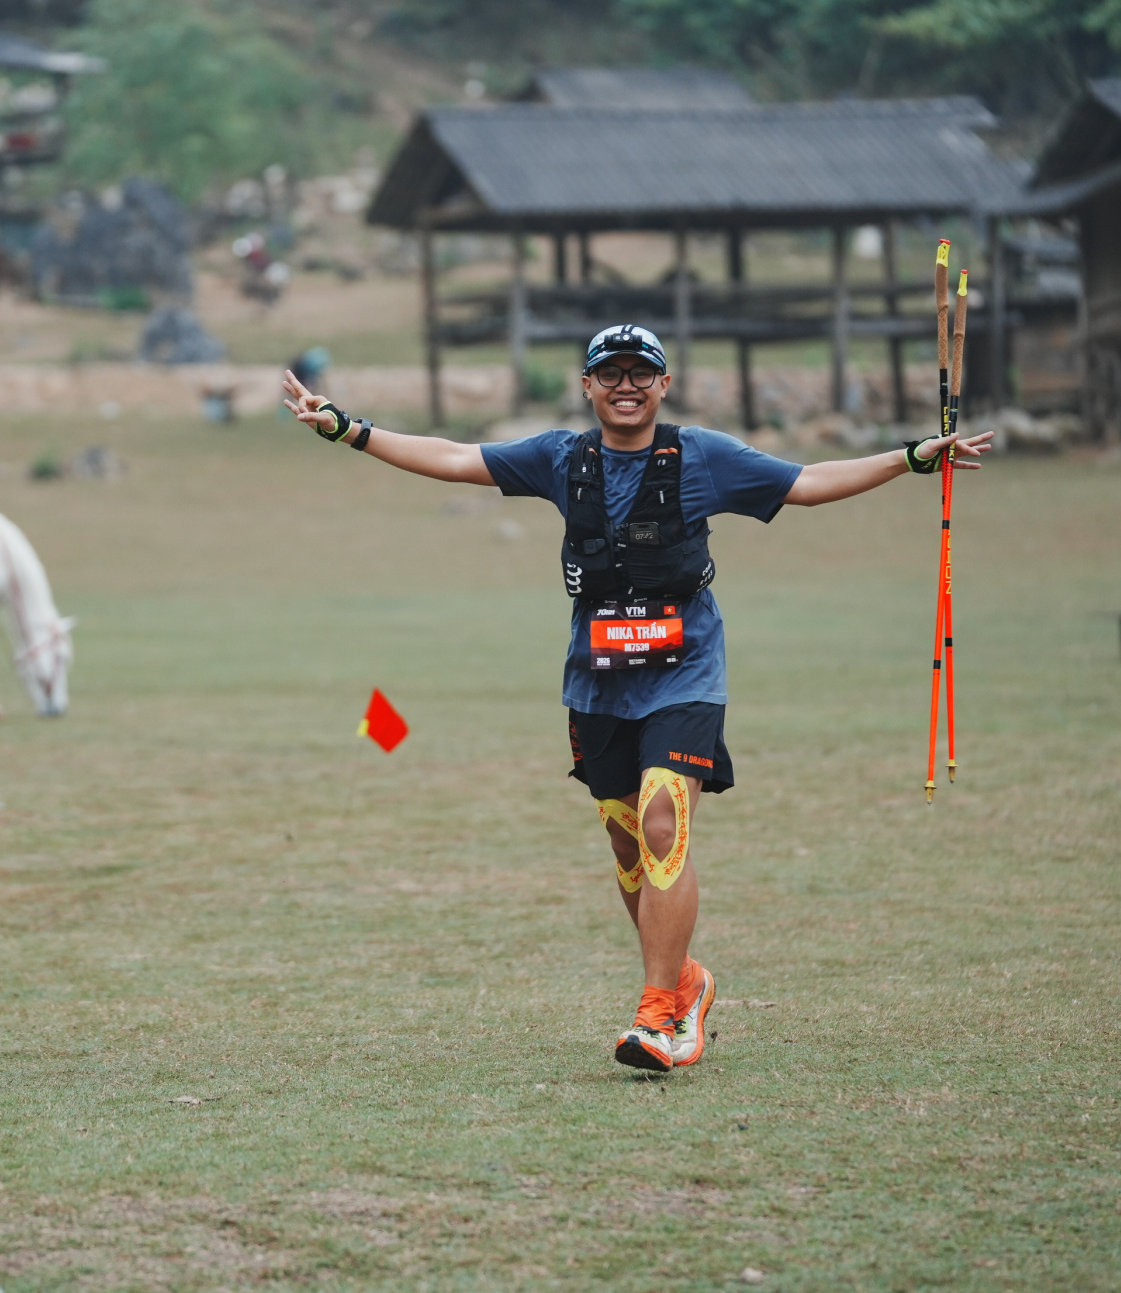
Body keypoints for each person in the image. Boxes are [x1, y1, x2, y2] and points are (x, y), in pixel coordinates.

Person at [282, 324, 991, 1073]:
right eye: (611, 373)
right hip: (598, 680)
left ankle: (658, 1016)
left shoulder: (703, 457)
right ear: (587, 385)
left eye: (641, 373)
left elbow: (807, 482)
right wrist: (348, 429)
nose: (626, 386)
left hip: (686, 674)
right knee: (627, 841)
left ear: (664, 384)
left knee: (662, 820)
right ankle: (686, 982)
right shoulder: (561, 458)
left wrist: (910, 458)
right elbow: (455, 459)